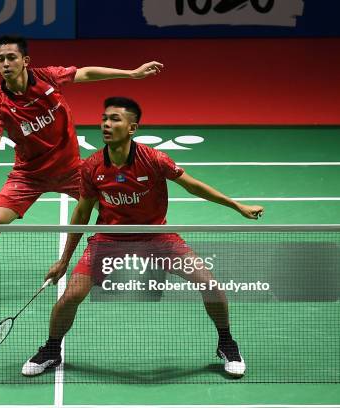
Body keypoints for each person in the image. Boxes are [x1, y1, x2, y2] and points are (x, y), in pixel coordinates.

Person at [21, 97, 264, 378]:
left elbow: (193, 186)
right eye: (104, 119)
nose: (106, 124)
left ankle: (227, 344)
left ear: (132, 127)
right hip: (109, 239)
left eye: (115, 119)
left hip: (156, 237)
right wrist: (64, 260)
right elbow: (82, 213)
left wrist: (237, 206)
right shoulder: (92, 167)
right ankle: (52, 350)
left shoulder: (153, 159)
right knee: (70, 295)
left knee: (210, 284)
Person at [0, 35, 164, 309]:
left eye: (11, 57)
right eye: (1, 59)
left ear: (25, 61)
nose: (6, 63)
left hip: (73, 169)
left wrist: (131, 73)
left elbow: (84, 73)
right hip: (29, 175)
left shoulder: (48, 78)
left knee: (119, 211)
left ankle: (136, 261)